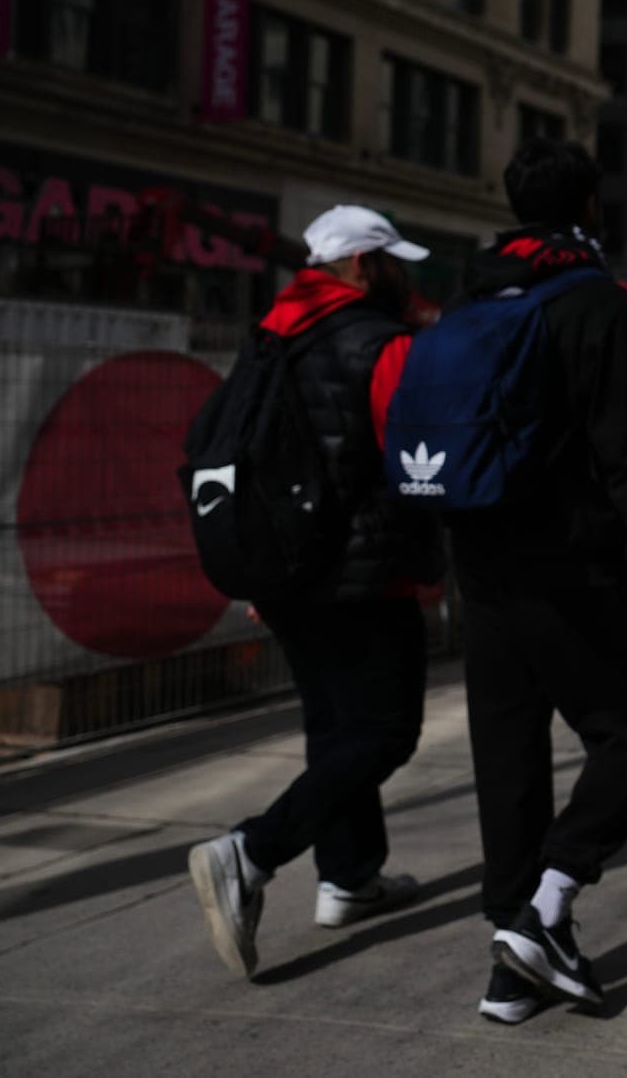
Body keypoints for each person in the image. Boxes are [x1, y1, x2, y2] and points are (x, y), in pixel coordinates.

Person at [443, 138, 627, 1025]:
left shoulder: (470, 294)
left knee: (508, 761)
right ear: (590, 205)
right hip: (573, 563)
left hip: (482, 564)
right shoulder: (599, 301)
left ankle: (510, 972)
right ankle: (546, 908)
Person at [187, 206, 444, 978]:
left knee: (335, 728)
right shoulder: (383, 342)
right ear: (364, 266)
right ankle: (250, 850)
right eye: (395, 260)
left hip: (287, 574)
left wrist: (258, 567)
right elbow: (416, 465)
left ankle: (350, 878)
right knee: (387, 731)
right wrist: (430, 564)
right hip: (366, 577)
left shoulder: (269, 337)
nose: (406, 274)